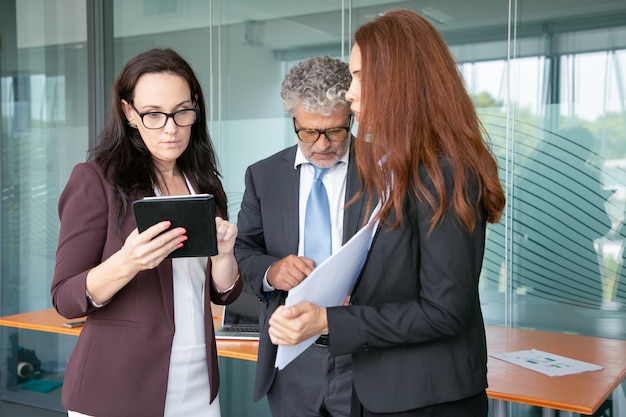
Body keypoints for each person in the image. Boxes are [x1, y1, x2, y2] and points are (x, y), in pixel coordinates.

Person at [266, 9, 506, 417]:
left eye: (359, 76)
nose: (349, 93)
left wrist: (330, 321)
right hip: (383, 391)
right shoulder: (398, 166)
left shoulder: (444, 170)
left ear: (399, 80)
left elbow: (444, 311)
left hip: (429, 401)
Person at [51, 48, 242, 417]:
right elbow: (65, 298)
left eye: (182, 111)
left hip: (199, 387)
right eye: (153, 114)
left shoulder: (205, 183)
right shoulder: (95, 180)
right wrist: (126, 262)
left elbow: (224, 293)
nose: (170, 128)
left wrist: (224, 257)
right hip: (117, 390)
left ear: (195, 108)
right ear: (129, 113)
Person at [235, 56, 370, 417]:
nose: (322, 144)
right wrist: (272, 271)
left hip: (365, 357)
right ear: (293, 120)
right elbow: (243, 249)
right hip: (292, 357)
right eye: (309, 131)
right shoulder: (263, 176)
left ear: (352, 116)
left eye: (336, 130)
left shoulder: (384, 170)